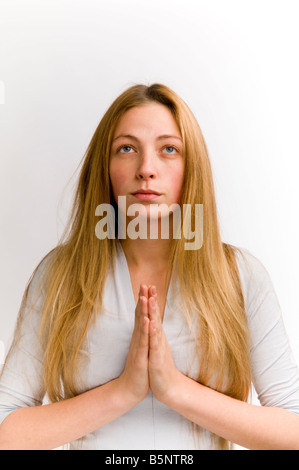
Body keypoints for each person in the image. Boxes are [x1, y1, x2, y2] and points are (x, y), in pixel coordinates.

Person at [0, 83, 299, 450]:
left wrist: (174, 388)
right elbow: (6, 430)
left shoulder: (239, 276)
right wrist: (123, 391)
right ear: (104, 167)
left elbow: (293, 430)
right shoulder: (61, 275)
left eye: (168, 149)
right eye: (127, 148)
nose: (146, 169)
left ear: (192, 169)